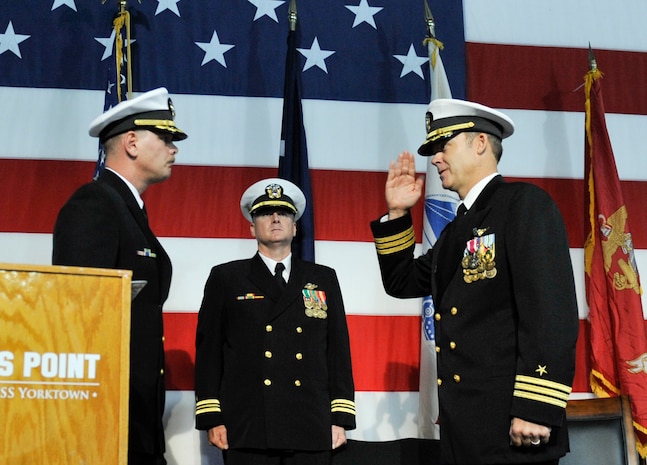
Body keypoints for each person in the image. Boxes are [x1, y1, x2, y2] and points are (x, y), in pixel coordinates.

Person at [370, 99, 579, 465]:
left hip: (515, 428)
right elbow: (402, 282)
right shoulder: (456, 232)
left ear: (480, 143)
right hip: (464, 430)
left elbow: (551, 311)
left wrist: (536, 406)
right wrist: (398, 213)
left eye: (443, 146)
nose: (434, 159)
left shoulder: (524, 205)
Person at [52, 87, 188, 465]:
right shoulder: (95, 204)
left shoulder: (127, 209)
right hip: (105, 415)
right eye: (165, 138)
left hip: (134, 416)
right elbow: (77, 313)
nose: (174, 149)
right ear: (131, 142)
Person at [194, 178, 356, 465]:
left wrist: (340, 416)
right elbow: (209, 353)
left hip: (310, 423)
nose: (276, 218)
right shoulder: (226, 278)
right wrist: (212, 416)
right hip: (248, 424)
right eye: (265, 213)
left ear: (295, 227)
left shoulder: (322, 278)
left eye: (284, 213)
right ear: (252, 226)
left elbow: (337, 350)